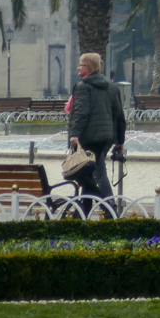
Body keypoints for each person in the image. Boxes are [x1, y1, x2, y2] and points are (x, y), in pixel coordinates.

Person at [66, 52, 126, 209]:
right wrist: (120, 141)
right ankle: (84, 213)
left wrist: (74, 135)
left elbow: (80, 112)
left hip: (88, 138)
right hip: (106, 138)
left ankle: (108, 206)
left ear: (89, 67)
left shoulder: (83, 87)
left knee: (95, 173)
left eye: (81, 64)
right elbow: (119, 116)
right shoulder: (112, 87)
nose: (78, 67)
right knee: (88, 174)